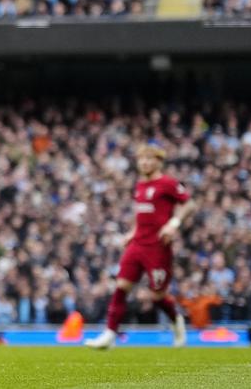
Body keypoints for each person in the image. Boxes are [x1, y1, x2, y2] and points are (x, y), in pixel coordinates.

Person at [86, 144, 195, 350]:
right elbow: (143, 214)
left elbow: (189, 204)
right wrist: (132, 232)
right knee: (121, 287)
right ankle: (109, 335)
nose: (144, 162)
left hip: (158, 247)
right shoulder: (139, 185)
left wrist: (173, 224)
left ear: (158, 161)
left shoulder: (168, 183)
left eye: (148, 158)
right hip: (137, 244)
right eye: (141, 159)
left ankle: (176, 321)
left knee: (157, 297)